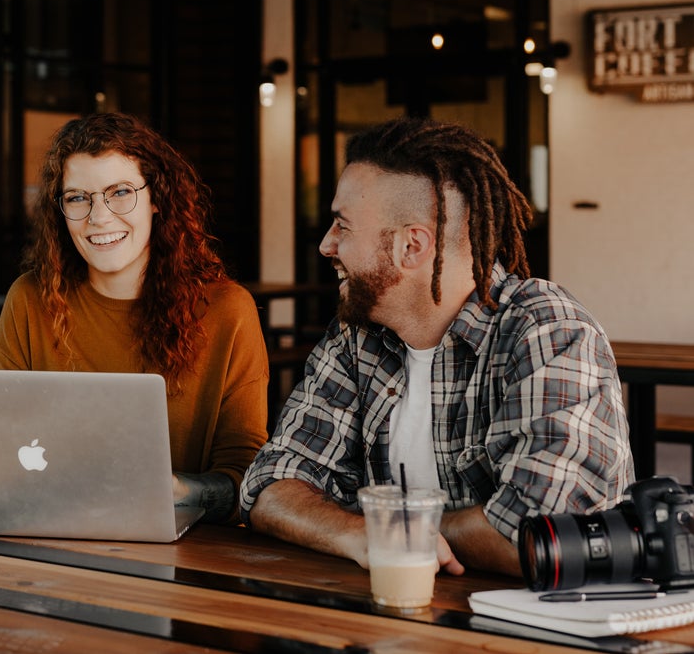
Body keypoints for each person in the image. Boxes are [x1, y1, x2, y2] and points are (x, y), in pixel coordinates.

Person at [238, 116, 634, 576]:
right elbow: (269, 485)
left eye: (343, 226)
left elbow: (539, 532)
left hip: (540, 616)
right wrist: (356, 533)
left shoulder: (548, 330)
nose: (326, 245)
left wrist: (391, 530)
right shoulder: (357, 336)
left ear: (412, 246)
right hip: (398, 607)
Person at [0, 111, 269, 523]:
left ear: (157, 198)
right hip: (46, 525)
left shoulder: (227, 310)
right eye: (77, 198)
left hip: (183, 542)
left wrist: (175, 491)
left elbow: (246, 474)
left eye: (120, 192)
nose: (99, 216)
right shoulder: (30, 300)